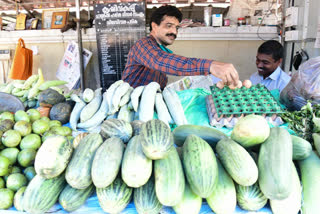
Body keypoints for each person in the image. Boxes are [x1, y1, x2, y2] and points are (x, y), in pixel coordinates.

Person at [122, 5, 239, 90]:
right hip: (131, 109)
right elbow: (161, 61)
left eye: (177, 28)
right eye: (169, 26)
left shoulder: (162, 50)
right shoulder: (143, 45)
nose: (174, 32)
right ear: (154, 26)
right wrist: (210, 65)